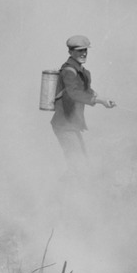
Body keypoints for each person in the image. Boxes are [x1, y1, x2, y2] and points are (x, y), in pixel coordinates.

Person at [50, 35, 116, 173]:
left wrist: (98, 96)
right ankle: (71, 192)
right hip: (64, 124)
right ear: (70, 52)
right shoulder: (69, 71)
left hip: (72, 124)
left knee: (80, 161)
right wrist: (100, 101)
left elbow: (83, 90)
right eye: (79, 50)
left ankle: (72, 189)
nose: (84, 53)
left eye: (85, 50)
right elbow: (74, 93)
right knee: (77, 163)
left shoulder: (81, 71)